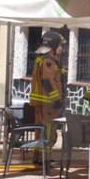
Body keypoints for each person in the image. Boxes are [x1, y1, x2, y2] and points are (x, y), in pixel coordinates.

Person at [30, 31, 65, 166]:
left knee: (40, 130)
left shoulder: (41, 59)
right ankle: (46, 158)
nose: (62, 48)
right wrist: (57, 99)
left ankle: (38, 157)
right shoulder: (49, 61)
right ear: (54, 46)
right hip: (48, 103)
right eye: (60, 45)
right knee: (49, 131)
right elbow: (48, 81)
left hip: (40, 102)